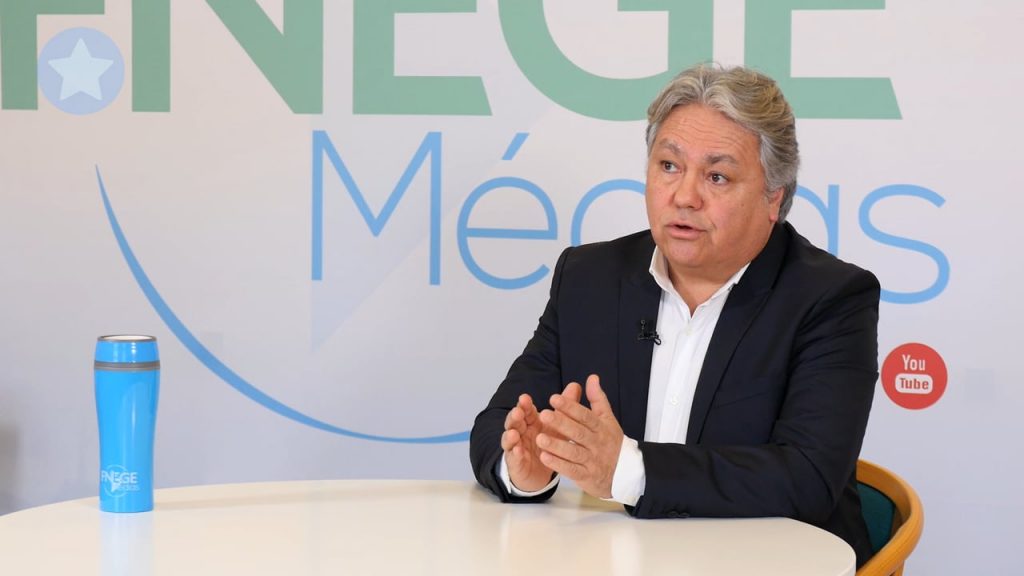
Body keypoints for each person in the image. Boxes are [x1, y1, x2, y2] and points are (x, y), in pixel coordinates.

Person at [469, 63, 879, 567]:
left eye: (717, 176)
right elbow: (501, 423)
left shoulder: (830, 298)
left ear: (774, 198)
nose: (684, 197)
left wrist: (626, 470)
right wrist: (524, 471)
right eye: (668, 166)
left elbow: (807, 478)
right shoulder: (590, 278)